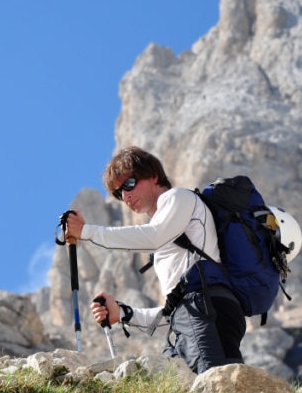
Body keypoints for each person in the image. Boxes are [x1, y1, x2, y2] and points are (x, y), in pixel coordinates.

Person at [65, 146, 246, 374]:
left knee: (215, 387)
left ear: (154, 175)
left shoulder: (178, 197)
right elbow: (173, 310)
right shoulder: (169, 242)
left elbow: (154, 236)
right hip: (196, 314)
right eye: (119, 193)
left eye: (129, 184)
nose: (125, 196)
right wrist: (123, 313)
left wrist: (86, 231)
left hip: (206, 309)